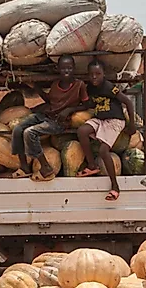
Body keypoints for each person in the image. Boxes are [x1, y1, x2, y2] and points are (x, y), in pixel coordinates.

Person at [11, 55, 91, 180]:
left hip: (60, 122)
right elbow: (49, 100)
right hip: (47, 115)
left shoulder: (79, 85)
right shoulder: (55, 85)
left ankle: (46, 168)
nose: (66, 71)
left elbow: (87, 104)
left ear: (74, 69)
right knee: (17, 128)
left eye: (69, 68)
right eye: (64, 68)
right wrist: (35, 87)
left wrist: (70, 109)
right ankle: (24, 166)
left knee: (30, 132)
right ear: (58, 69)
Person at [76, 60, 136, 201]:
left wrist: (132, 124)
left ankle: (115, 186)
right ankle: (92, 165)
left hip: (114, 120)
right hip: (100, 119)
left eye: (98, 74)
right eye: (91, 74)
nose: (94, 77)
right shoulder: (89, 88)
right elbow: (90, 103)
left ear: (103, 74)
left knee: (103, 151)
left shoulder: (109, 87)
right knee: (82, 131)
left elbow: (128, 102)